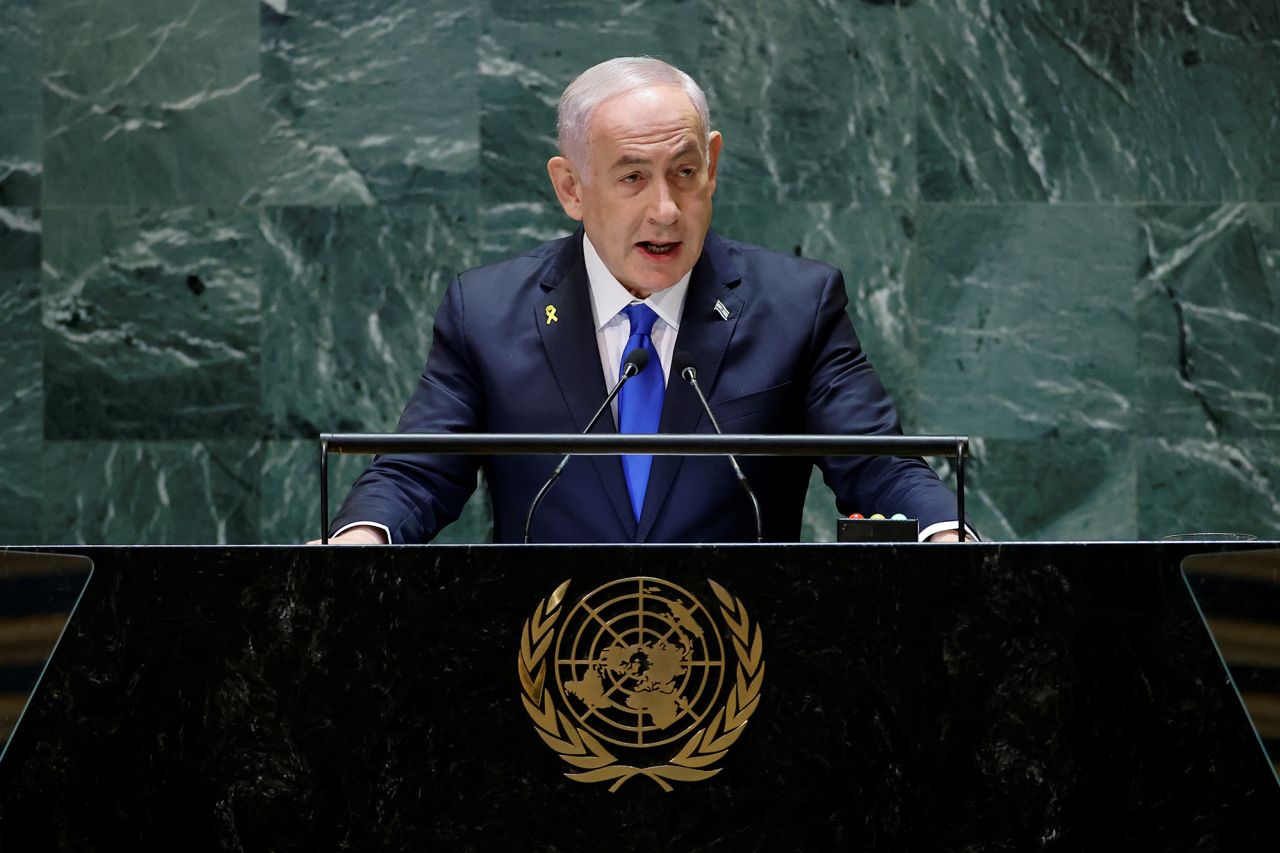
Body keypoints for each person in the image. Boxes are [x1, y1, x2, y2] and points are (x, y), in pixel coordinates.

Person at [319, 57, 971, 545]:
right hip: (549, 671)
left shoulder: (797, 306)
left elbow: (880, 465)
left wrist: (947, 533)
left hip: (738, 675)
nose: (666, 209)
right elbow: (416, 473)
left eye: (685, 173)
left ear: (712, 165)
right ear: (571, 187)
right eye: (632, 177)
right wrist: (360, 538)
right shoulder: (488, 312)